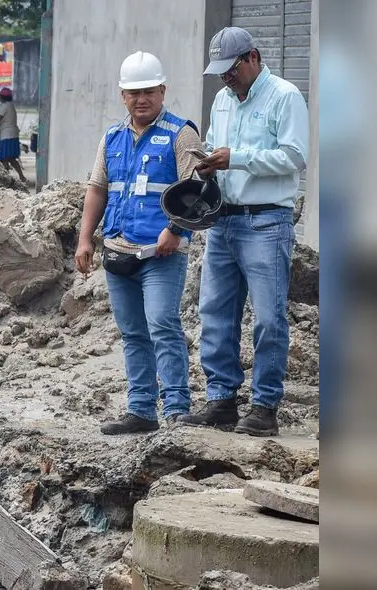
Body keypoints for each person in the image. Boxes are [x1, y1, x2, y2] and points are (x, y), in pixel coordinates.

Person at [177, 28, 309, 437]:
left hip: (266, 222)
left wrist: (237, 158)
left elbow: (294, 157)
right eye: (219, 73)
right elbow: (218, 144)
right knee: (215, 313)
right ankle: (221, 400)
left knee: (268, 318)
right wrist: (209, 162)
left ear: (252, 57)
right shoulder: (221, 100)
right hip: (224, 219)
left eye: (231, 70)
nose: (225, 79)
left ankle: (265, 406)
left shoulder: (284, 96)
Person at [74, 51, 203, 435]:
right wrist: (85, 239)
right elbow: (97, 189)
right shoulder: (112, 138)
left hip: (162, 253)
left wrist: (175, 230)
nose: (141, 99)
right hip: (119, 252)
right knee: (133, 333)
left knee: (162, 323)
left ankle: (178, 408)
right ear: (122, 95)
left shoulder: (181, 134)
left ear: (163, 91)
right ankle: (142, 410)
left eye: (149, 91)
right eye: (133, 93)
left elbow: (196, 191)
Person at [0, 87, 26, 183]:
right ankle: (21, 177)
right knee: (12, 158)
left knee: (4, 158)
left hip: (7, 135)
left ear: (2, 97)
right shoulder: (10, 106)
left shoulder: (4, 107)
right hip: (13, 134)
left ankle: (6, 179)